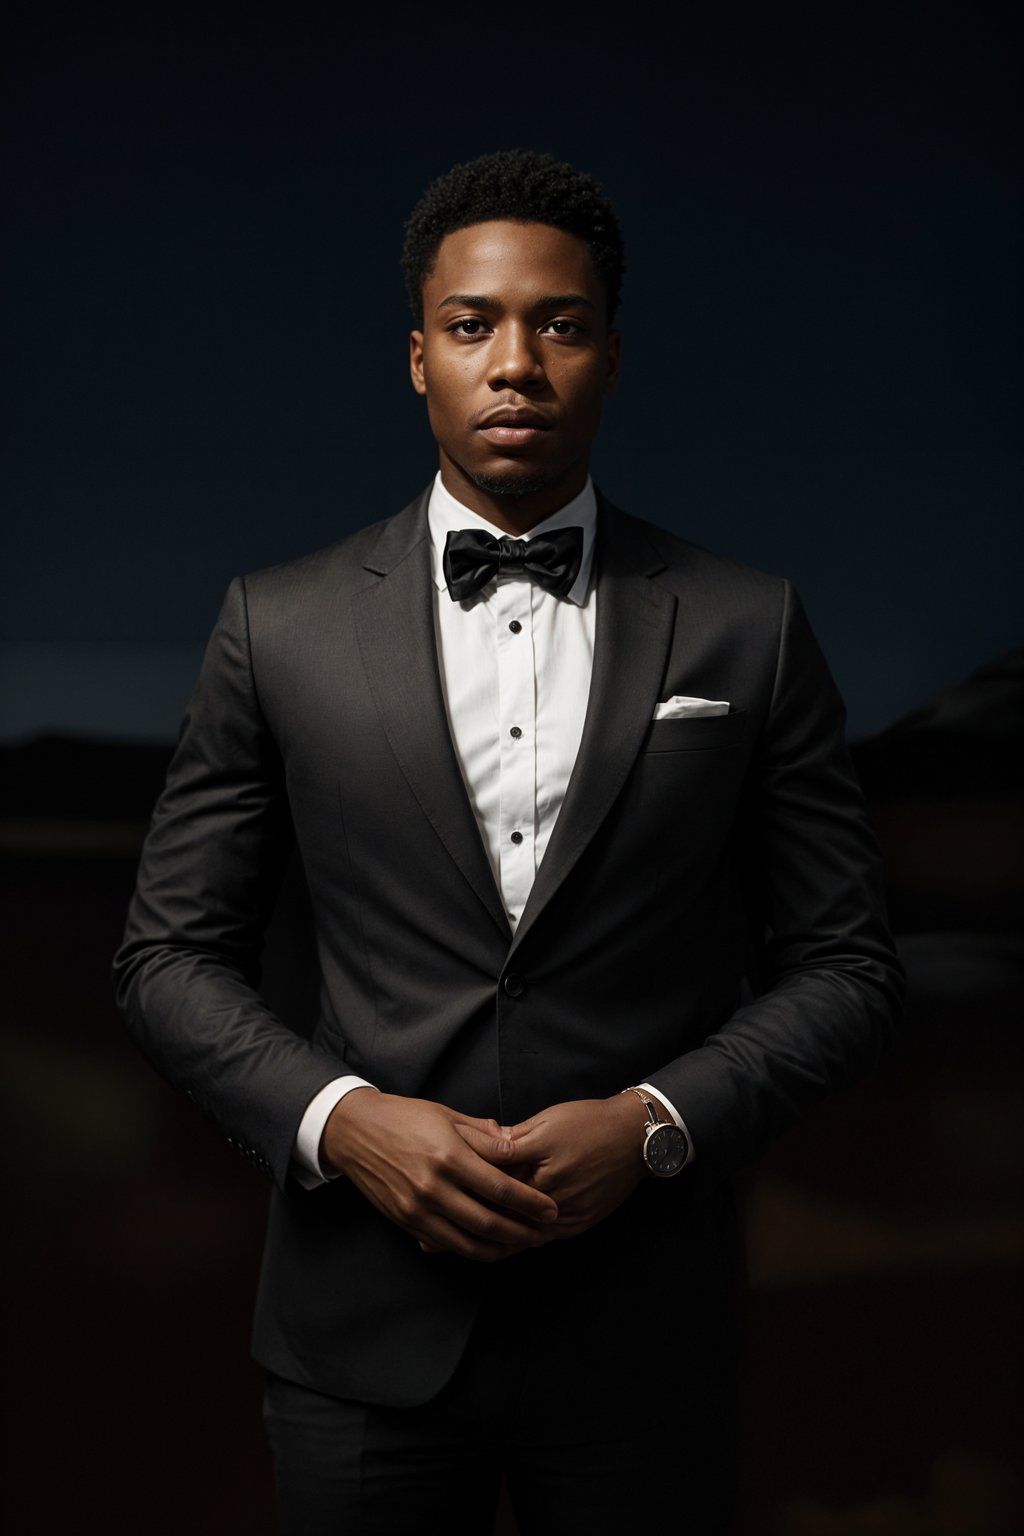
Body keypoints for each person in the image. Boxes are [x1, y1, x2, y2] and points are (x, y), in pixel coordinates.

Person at [113, 149, 904, 1534]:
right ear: (418, 357)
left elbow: (847, 964)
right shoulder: (276, 624)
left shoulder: (746, 624)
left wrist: (656, 1127)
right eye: (473, 325)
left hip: (644, 1336)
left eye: (562, 323)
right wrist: (344, 1124)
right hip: (358, 1338)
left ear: (610, 353)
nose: (516, 363)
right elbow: (167, 956)